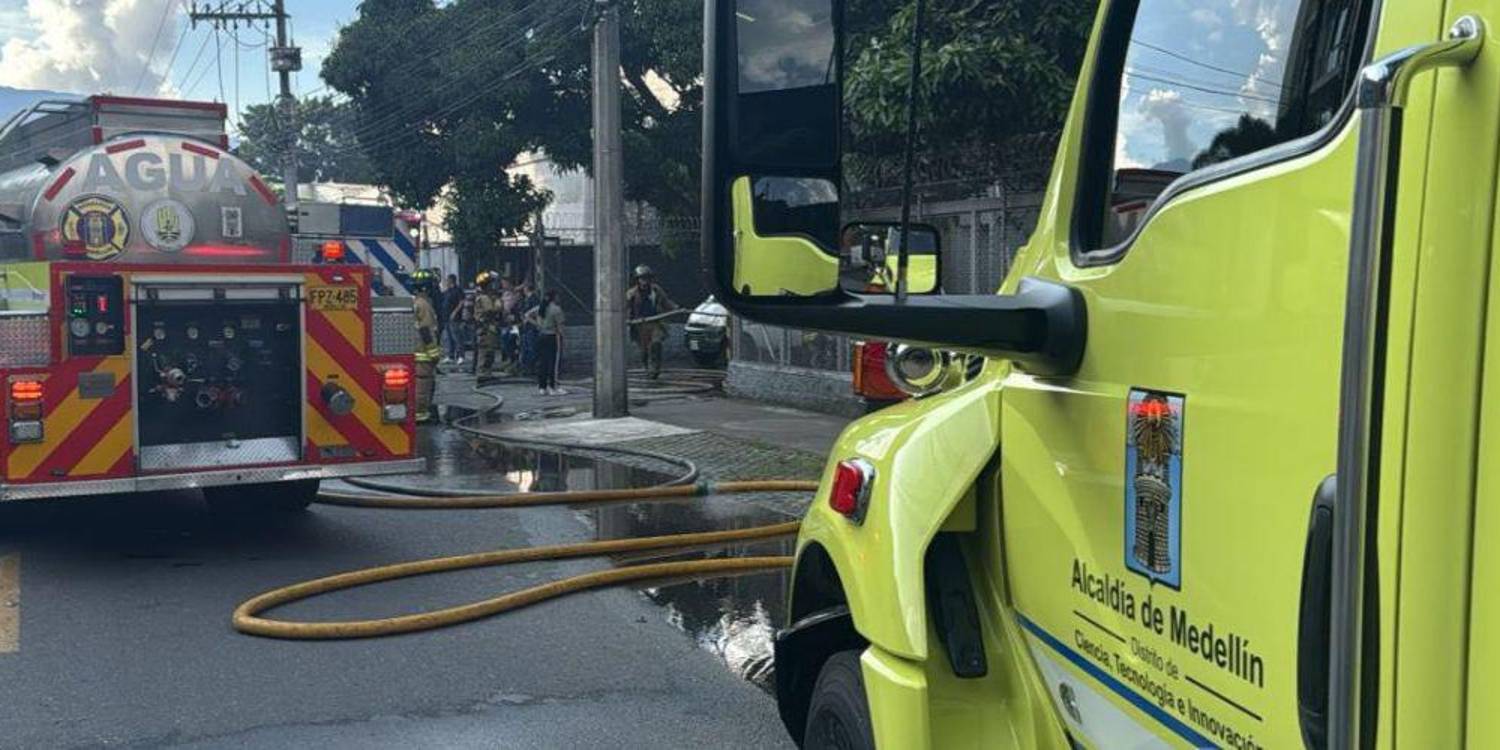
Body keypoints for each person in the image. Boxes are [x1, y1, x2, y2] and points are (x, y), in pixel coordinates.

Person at [625, 264, 677, 379]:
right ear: (637, 280)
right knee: (644, 351)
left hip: (655, 323)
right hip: (639, 325)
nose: (645, 281)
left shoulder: (656, 290)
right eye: (642, 278)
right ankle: (646, 367)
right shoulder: (631, 294)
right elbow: (626, 308)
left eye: (647, 278)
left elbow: (665, 301)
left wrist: (676, 308)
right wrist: (626, 319)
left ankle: (655, 368)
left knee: (656, 343)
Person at [408, 269, 442, 422]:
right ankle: (420, 415)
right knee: (423, 384)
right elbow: (426, 330)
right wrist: (434, 353)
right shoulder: (424, 305)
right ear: (426, 287)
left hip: (415, 351)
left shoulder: (415, 302)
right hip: (423, 354)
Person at [526, 289, 566, 395]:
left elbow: (527, 315)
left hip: (541, 336)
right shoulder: (556, 309)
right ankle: (553, 387)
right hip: (553, 336)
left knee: (542, 362)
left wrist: (537, 324)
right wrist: (562, 337)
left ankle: (542, 387)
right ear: (554, 297)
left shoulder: (540, 307)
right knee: (553, 362)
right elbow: (560, 327)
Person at [473, 270, 502, 378]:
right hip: (486, 328)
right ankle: (482, 373)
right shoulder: (484, 297)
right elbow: (492, 310)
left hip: (488, 327)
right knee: (486, 351)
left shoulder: (485, 296)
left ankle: (486, 372)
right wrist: (498, 302)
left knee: (489, 351)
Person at [439, 274, 464, 365]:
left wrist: (455, 312)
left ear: (451, 280)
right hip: (446, 317)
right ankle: (450, 356)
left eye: (448, 280)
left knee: (456, 337)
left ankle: (460, 356)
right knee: (449, 338)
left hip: (455, 317)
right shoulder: (447, 291)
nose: (447, 282)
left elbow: (461, 302)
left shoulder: (458, 290)